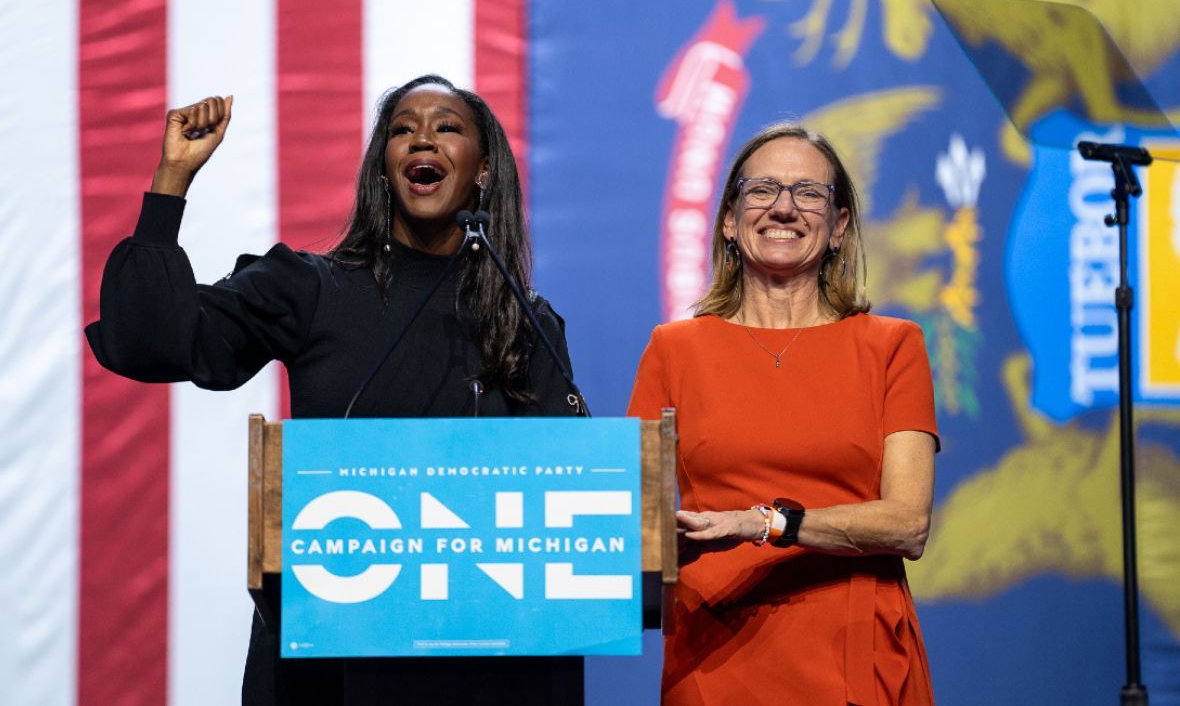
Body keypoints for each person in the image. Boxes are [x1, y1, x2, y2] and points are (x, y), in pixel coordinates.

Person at [85, 75, 583, 705]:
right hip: (328, 666)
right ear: (383, 171)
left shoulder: (522, 318)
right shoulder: (310, 288)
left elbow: (568, 484)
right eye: (402, 130)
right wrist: (170, 184)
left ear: (484, 171)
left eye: (447, 127)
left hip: (481, 663)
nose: (422, 137)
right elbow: (151, 340)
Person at [627, 124, 938, 705]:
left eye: (809, 193)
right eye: (762, 190)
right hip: (712, 662)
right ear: (728, 218)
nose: (785, 208)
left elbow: (907, 524)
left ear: (839, 226)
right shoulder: (672, 350)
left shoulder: (893, 345)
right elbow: (634, 524)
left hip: (855, 659)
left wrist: (763, 523)